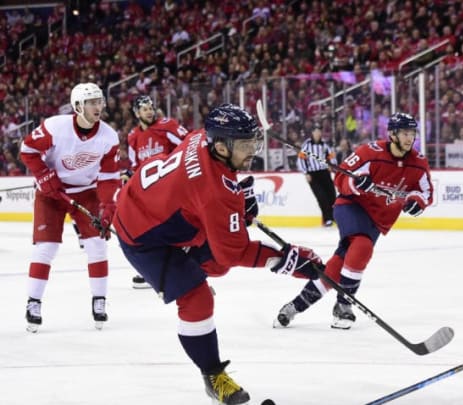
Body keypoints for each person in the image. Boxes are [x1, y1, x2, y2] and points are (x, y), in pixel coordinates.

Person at [113, 103, 322, 405]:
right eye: (245, 145)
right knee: (198, 298)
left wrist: (238, 200)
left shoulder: (203, 138)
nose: (252, 150)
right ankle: (213, 376)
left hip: (156, 206)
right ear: (222, 147)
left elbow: (210, 185)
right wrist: (286, 259)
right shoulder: (213, 191)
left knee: (216, 266)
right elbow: (233, 251)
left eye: (253, 142)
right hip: (143, 236)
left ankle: (186, 274)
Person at [272, 112, 433, 330]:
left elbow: (426, 192)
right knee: (362, 245)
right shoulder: (370, 152)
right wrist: (358, 184)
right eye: (404, 133)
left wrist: (417, 202)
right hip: (351, 206)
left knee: (338, 266)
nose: (409, 138)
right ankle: (343, 305)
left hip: (379, 220)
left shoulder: (418, 162)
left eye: (412, 133)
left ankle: (294, 307)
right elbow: (341, 177)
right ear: (393, 134)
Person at [19, 82, 120, 332]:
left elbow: (108, 178)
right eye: (92, 102)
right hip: (51, 194)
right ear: (78, 106)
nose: (99, 106)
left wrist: (108, 208)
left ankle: (99, 300)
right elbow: (27, 150)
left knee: (97, 244)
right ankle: (33, 302)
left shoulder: (108, 136)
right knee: (46, 247)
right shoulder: (56, 127)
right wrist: (44, 176)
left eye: (100, 101)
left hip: (86, 192)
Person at [126, 95, 189, 289]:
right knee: (149, 229)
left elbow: (190, 143)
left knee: (172, 226)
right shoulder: (133, 137)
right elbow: (134, 165)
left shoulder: (166, 126)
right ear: (137, 113)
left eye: (151, 107)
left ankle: (180, 265)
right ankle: (154, 268)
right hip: (150, 191)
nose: (150, 111)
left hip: (171, 187)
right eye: (145, 109)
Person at [298, 122, 337, 227]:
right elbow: (301, 159)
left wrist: (332, 165)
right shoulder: (306, 145)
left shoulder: (325, 145)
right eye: (316, 131)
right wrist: (305, 173)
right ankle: (327, 219)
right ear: (312, 132)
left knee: (331, 195)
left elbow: (331, 156)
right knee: (321, 197)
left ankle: (335, 217)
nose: (318, 133)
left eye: (319, 131)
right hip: (313, 175)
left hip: (324, 173)